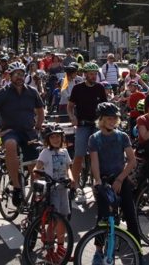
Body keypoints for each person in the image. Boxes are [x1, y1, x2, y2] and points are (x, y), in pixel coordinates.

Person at [0, 61, 45, 206]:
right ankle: (16, 187)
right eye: (16, 74)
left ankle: (37, 198)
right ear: (10, 76)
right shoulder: (3, 93)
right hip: (11, 131)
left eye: (22, 74)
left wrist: (38, 126)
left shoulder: (32, 92)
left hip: (29, 132)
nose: (19, 77)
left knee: (35, 165)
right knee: (10, 145)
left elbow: (40, 111)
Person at [88, 102, 140, 243]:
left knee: (130, 214)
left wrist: (120, 179)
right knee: (102, 217)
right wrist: (97, 180)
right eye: (108, 119)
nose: (112, 122)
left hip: (121, 178)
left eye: (114, 119)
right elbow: (95, 162)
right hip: (104, 179)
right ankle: (99, 250)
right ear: (101, 120)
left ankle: (137, 249)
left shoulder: (122, 136)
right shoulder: (94, 139)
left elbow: (131, 160)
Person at [68, 62, 108, 204]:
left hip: (97, 125)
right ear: (85, 74)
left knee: (99, 155)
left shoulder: (100, 88)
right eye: (91, 74)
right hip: (83, 125)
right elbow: (70, 106)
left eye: (95, 74)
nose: (93, 76)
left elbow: (105, 107)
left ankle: (99, 182)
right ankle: (73, 185)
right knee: (78, 155)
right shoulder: (78, 88)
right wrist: (73, 117)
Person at [34, 124, 75, 262]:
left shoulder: (64, 152)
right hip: (52, 190)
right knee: (52, 220)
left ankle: (61, 248)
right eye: (52, 137)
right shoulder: (46, 152)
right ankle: (50, 250)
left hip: (63, 189)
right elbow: (38, 167)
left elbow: (68, 168)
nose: (56, 139)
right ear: (48, 140)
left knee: (63, 218)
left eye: (58, 136)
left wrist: (71, 177)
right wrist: (38, 175)